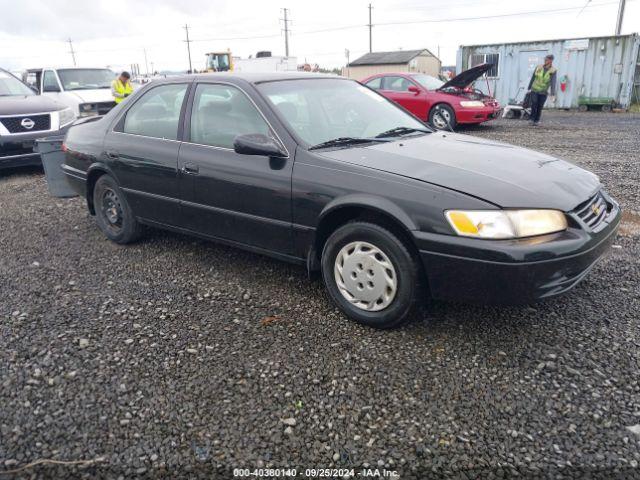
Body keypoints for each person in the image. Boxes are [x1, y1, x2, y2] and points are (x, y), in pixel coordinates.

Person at [527, 54, 557, 126]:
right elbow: (533, 77)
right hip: (535, 89)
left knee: (540, 106)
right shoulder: (539, 67)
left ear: (551, 61)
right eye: (545, 59)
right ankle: (531, 119)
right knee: (534, 104)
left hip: (543, 91)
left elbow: (553, 82)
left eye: (546, 60)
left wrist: (552, 93)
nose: (545, 61)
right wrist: (529, 87)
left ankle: (536, 120)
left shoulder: (553, 70)